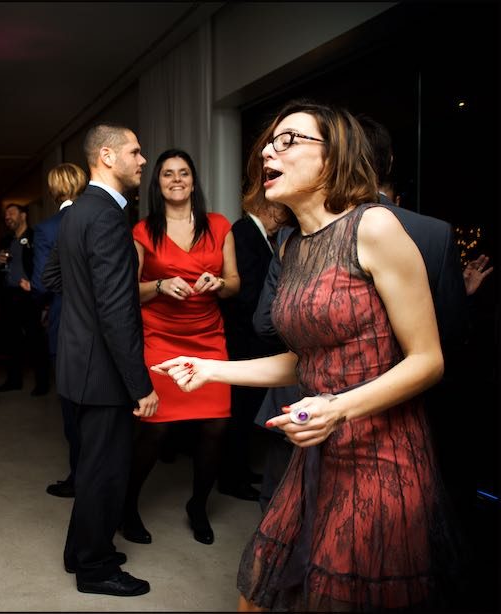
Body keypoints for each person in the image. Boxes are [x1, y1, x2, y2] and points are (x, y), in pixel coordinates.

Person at [154, 100, 461, 611]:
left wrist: (337, 407)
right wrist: (209, 369)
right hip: (316, 446)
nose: (270, 151)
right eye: (269, 143)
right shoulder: (292, 247)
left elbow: (428, 359)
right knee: (259, 590)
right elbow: (307, 361)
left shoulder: (375, 227)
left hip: (380, 456)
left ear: (333, 157)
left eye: (289, 140)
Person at [41, 123, 158, 597]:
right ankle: (95, 567)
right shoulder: (107, 216)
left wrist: (86, 309)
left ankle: (78, 550)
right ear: (107, 157)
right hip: (104, 369)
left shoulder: (76, 212)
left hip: (78, 362)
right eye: (135, 150)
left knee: (91, 466)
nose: (142, 159)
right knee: (105, 471)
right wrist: (140, 384)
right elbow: (116, 310)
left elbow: (53, 276)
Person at [122, 149, 240, 547]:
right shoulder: (142, 231)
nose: (176, 179)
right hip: (161, 339)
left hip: (209, 338)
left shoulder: (220, 225)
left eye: (184, 173)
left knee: (217, 427)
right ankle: (127, 504)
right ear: (158, 183)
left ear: (193, 180)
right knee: (156, 430)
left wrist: (219, 283)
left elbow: (236, 282)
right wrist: (158, 286)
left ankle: (198, 505)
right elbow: (129, 291)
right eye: (168, 174)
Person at [216, 203, 284, 502]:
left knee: (245, 413)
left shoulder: (260, 236)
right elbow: (245, 293)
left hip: (253, 341)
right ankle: (231, 478)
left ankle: (240, 470)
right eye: (281, 212)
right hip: (245, 341)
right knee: (239, 413)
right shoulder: (244, 233)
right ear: (269, 210)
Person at [33, 162, 87, 498]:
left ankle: (79, 478)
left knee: (71, 410)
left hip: (65, 321)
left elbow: (42, 282)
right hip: (99, 323)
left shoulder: (48, 228)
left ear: (54, 191)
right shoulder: (99, 219)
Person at [0, 203, 49, 395]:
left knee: (35, 340)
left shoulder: (35, 237)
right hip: (9, 295)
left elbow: (45, 266)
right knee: (11, 339)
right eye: (6, 214)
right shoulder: (6, 240)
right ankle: (13, 380)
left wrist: (35, 285)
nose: (7, 217)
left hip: (28, 294)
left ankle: (42, 383)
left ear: (23, 215)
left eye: (11, 213)